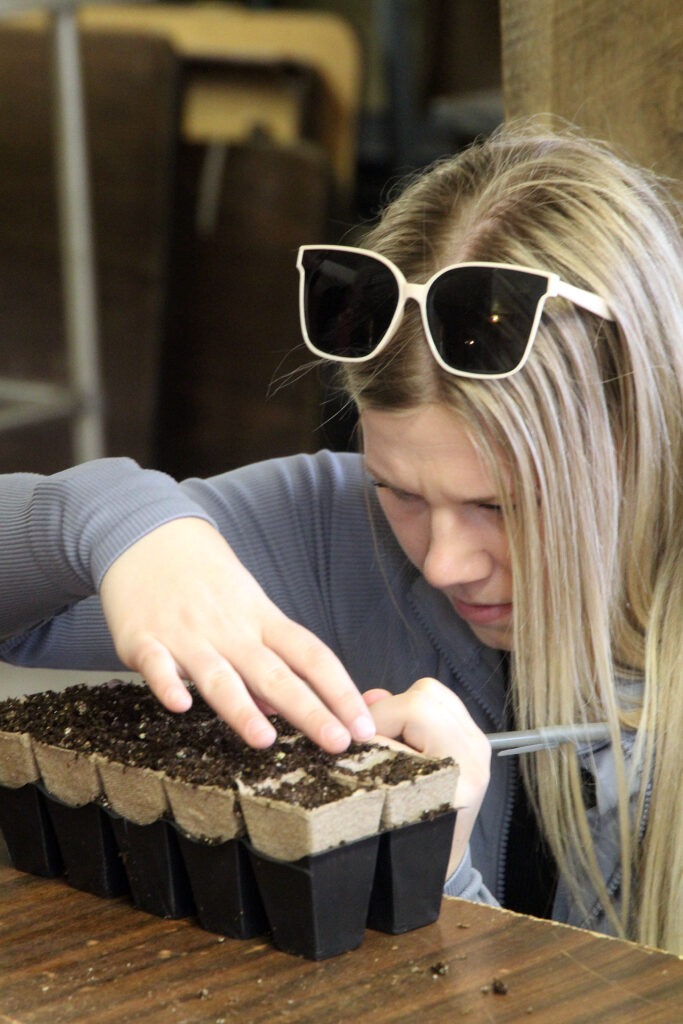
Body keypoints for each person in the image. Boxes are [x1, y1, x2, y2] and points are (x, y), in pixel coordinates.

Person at [0, 120, 680, 954]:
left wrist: (437, 870)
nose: (440, 562)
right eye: (396, 490)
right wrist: (114, 524)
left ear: (636, 446)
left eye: (499, 507)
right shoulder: (330, 530)